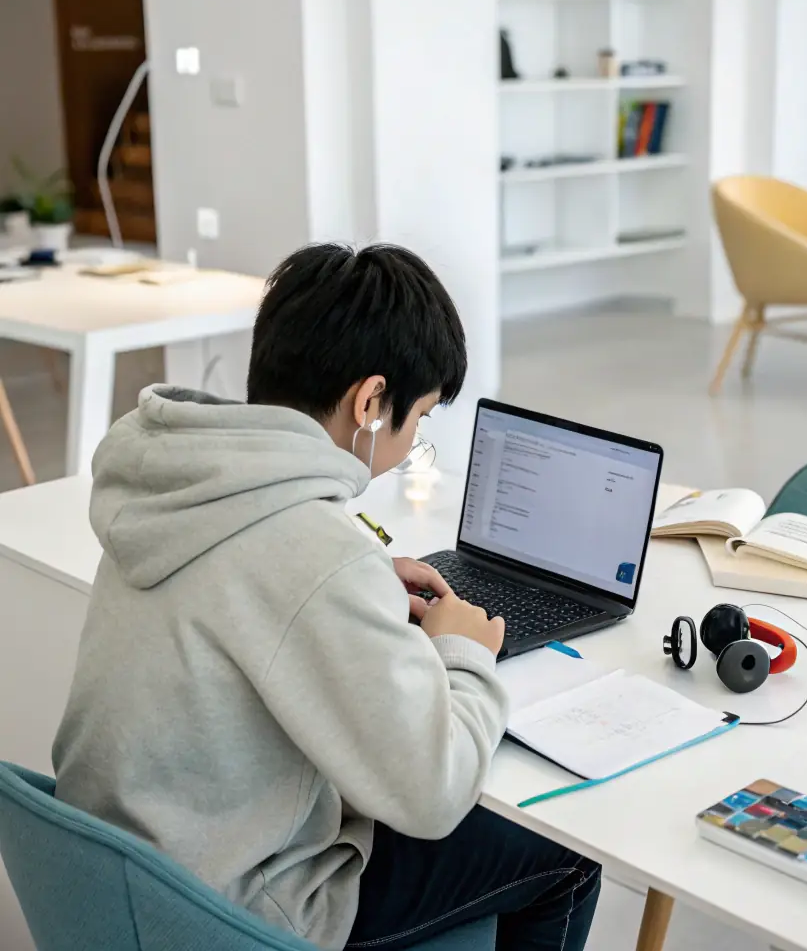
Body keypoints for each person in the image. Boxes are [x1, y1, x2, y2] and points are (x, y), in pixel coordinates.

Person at [52, 243, 601, 950]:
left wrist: (359, 578)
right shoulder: (315, 553)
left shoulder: (171, 485)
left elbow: (256, 589)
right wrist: (464, 653)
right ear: (371, 402)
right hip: (236, 912)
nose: (411, 443)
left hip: (122, 872)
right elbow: (431, 794)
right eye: (421, 418)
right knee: (564, 853)